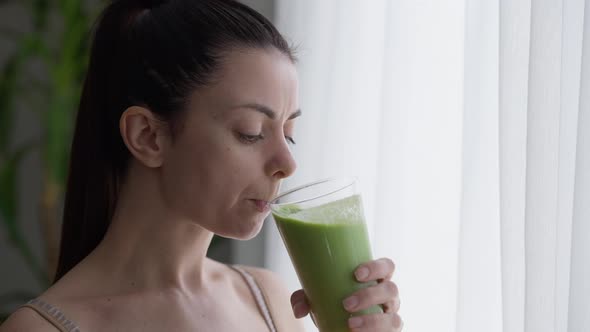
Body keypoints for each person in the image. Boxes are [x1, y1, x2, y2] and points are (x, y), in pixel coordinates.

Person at [0, 0, 402, 331]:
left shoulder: (270, 300)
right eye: (250, 132)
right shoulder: (44, 328)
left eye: (289, 132)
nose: (287, 163)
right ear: (148, 136)